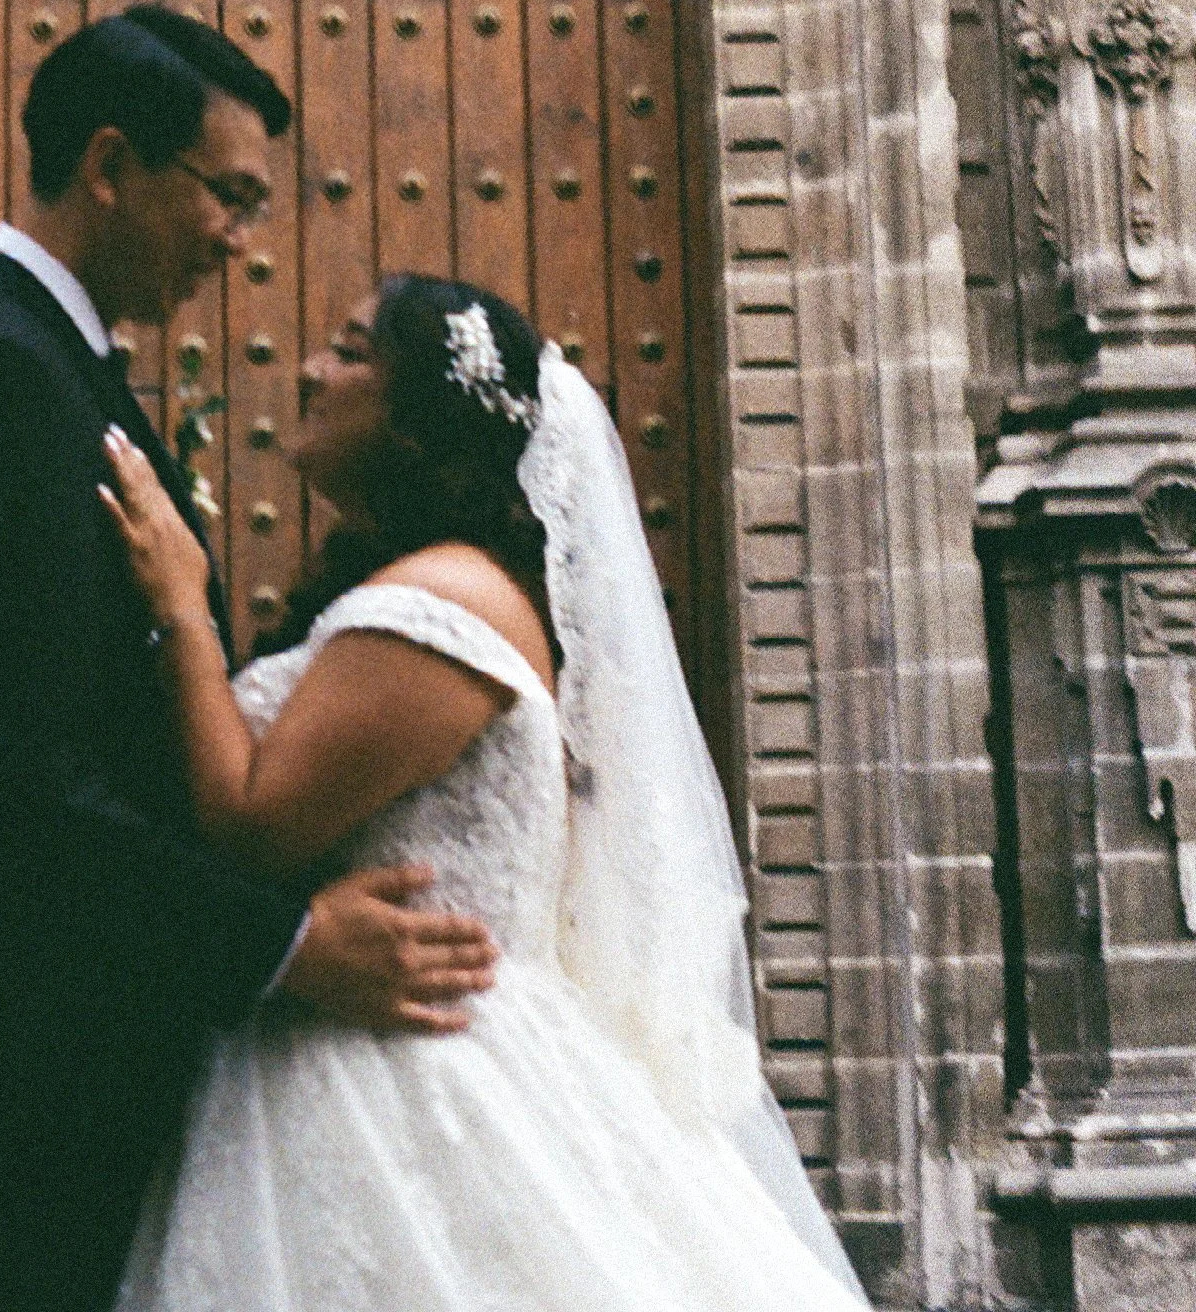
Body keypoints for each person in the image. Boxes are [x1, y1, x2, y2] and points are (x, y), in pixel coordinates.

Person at [0, 16, 501, 1312]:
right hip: (7, 1085)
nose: (238, 239)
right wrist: (287, 945)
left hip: (64, 1062)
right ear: (109, 164)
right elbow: (20, 784)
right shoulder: (0, 376)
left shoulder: (49, 363)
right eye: (229, 197)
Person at [101, 274, 870, 1312]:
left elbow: (248, 824)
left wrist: (180, 605)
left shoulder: (440, 603)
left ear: (420, 421)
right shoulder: (430, 584)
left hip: (406, 1072)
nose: (310, 370)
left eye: (352, 350)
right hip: (366, 1037)